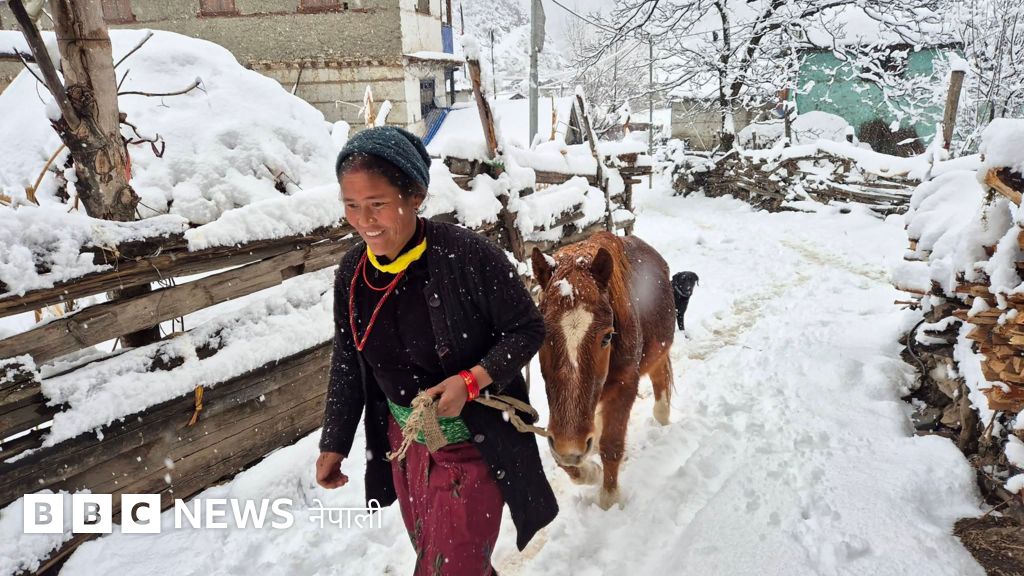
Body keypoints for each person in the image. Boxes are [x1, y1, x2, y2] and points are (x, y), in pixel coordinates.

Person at [315, 126, 558, 575]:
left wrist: (472, 380)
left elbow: (527, 328)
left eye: (378, 204)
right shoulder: (352, 273)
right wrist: (335, 442)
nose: (364, 220)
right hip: (406, 447)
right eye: (351, 205)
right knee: (436, 554)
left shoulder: (467, 256)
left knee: (451, 565)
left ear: (416, 196)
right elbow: (349, 359)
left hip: (473, 444)